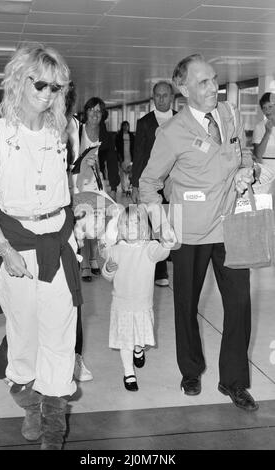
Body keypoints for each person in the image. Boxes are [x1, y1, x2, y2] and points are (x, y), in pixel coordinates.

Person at [139, 53, 259, 411]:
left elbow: (244, 154)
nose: (214, 87)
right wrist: (163, 228)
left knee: (239, 305)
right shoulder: (171, 133)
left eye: (215, 79)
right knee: (186, 306)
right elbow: (149, 183)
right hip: (189, 234)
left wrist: (247, 171)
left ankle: (234, 381)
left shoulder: (229, 115)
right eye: (204, 81)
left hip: (231, 226)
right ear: (183, 87)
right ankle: (190, 371)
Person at [0, 43, 83, 450]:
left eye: (56, 88)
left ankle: (54, 424)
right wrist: (4, 249)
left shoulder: (65, 131)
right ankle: (28, 401)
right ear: (19, 80)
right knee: (24, 337)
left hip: (58, 242)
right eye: (39, 83)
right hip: (17, 245)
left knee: (61, 332)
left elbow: (67, 193)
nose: (47, 93)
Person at [101, 204, 176, 391]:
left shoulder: (149, 247)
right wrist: (107, 270)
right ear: (119, 228)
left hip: (143, 305)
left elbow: (162, 252)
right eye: (126, 224)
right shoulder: (116, 250)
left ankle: (139, 348)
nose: (131, 227)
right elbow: (107, 274)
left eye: (136, 223)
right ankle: (129, 373)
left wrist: (167, 242)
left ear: (144, 227)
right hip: (121, 305)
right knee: (125, 340)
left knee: (139, 337)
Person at [131, 81, 176, 287]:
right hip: (152, 182)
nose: (161, 99)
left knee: (176, 223)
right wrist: (135, 184)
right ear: (153, 97)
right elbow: (138, 155)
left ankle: (176, 260)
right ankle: (160, 272)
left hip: (176, 182)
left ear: (172, 97)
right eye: (157, 95)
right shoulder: (145, 123)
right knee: (156, 225)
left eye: (165, 95)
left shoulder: (181, 120)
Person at [71, 96, 120, 282]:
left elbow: (112, 161)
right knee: (81, 222)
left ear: (103, 115)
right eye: (91, 110)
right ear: (86, 112)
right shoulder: (77, 131)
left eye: (98, 111)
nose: (94, 114)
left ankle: (93, 259)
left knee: (96, 222)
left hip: (97, 185)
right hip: (78, 183)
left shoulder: (106, 136)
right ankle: (84, 263)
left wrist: (114, 185)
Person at [64, 82, 93, 382]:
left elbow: (79, 173)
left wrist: (80, 218)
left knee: (73, 295)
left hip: (67, 219)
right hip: (33, 225)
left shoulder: (73, 126)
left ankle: (75, 358)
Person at [253, 92, 275, 171]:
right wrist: (267, 133)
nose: (267, 110)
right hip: (266, 172)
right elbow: (258, 154)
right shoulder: (259, 127)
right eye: (264, 108)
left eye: (270, 106)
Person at [115, 120, 134, 195]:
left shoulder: (131, 136)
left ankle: (129, 188)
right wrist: (119, 158)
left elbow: (134, 147)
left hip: (129, 156)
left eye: (127, 125)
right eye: (124, 125)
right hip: (122, 157)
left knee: (130, 173)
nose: (126, 127)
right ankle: (124, 188)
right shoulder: (119, 136)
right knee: (122, 173)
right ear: (122, 126)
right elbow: (117, 148)